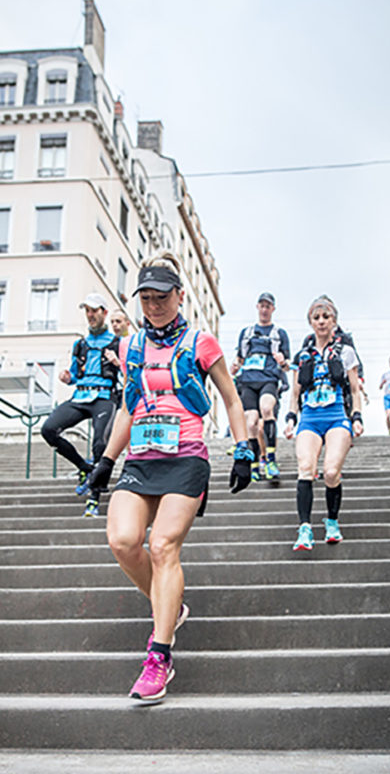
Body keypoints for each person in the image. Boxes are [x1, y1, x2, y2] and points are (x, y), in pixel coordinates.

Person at [88, 253, 253, 703]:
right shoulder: (130, 348)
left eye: (163, 297)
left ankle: (159, 656)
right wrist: (106, 460)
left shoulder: (202, 342)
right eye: (147, 297)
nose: (155, 305)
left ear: (180, 295)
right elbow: (127, 406)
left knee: (162, 546)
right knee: (123, 541)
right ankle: (171, 607)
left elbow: (232, 399)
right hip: (141, 459)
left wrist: (243, 449)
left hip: (186, 457)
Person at [284, 295, 364, 552]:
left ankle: (331, 521)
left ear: (334, 321)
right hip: (309, 417)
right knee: (305, 467)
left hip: (336, 417)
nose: (321, 321)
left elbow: (354, 389)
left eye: (326, 317)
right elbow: (295, 393)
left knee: (330, 472)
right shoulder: (302, 355)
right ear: (310, 322)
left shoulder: (346, 352)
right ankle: (305, 528)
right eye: (316, 317)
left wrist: (357, 417)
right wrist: (290, 418)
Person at [40, 293, 119, 517]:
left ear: (104, 312)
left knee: (100, 444)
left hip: (104, 397)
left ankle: (94, 496)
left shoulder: (117, 343)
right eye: (87, 311)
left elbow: (129, 371)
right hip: (80, 397)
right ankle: (85, 469)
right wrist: (68, 378)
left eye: (94, 310)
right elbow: (75, 374)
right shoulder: (80, 344)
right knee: (48, 429)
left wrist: (117, 362)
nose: (90, 315)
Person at [230, 293, 290, 485]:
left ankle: (271, 460)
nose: (264, 309)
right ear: (257, 307)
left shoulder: (279, 333)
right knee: (251, 422)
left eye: (268, 306)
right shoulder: (246, 333)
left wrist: (283, 362)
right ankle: (255, 464)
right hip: (248, 380)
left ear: (273, 309)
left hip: (269, 378)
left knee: (266, 409)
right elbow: (240, 358)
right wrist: (234, 367)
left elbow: (287, 363)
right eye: (262, 306)